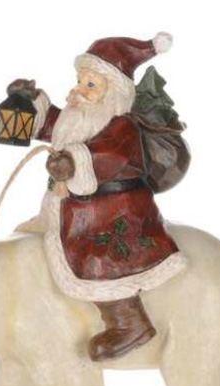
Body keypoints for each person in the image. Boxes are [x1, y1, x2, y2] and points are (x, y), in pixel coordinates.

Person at [9, 34, 187, 362]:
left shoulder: (121, 127)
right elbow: (56, 127)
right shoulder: (83, 116)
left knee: (99, 260)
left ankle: (129, 323)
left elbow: (107, 155)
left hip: (113, 212)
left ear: (113, 93)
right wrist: (30, 103)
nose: (79, 90)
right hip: (74, 207)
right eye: (80, 81)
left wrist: (72, 162)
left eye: (91, 84)